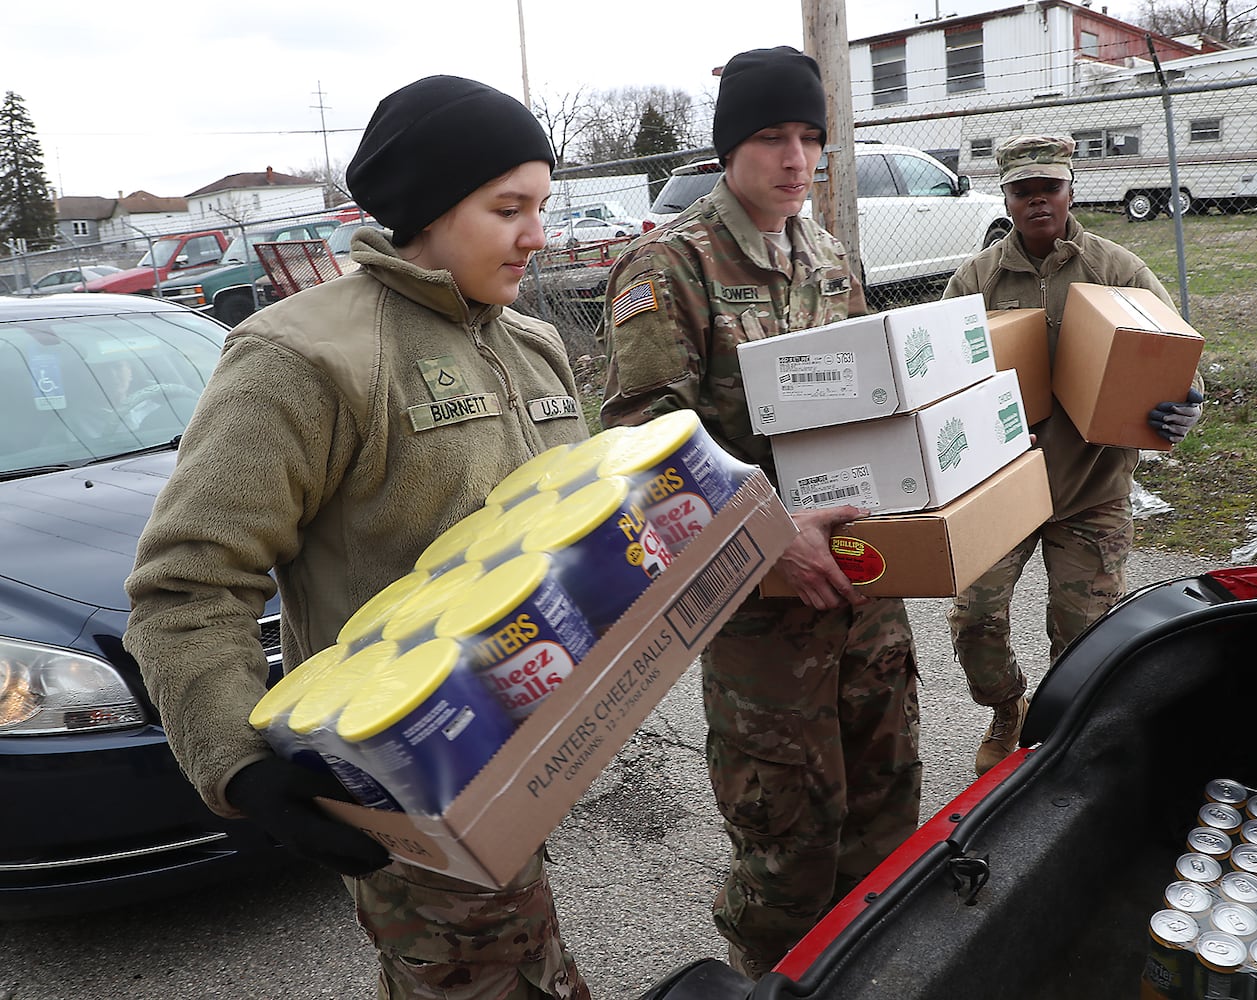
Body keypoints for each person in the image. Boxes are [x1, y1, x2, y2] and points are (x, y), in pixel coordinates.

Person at [123, 76, 592, 1000]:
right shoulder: (301, 358)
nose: (538, 236)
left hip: (532, 752)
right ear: (424, 206)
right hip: (407, 782)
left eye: (542, 206)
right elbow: (190, 583)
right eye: (508, 209)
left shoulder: (529, 342)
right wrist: (238, 765)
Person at [597, 46, 922, 979]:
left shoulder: (822, 250)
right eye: (773, 137)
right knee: (789, 837)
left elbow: (873, 396)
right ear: (729, 147)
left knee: (884, 802)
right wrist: (770, 537)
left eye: (811, 137)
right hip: (761, 600)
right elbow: (641, 439)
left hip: (861, 578)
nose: (796, 159)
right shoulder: (670, 264)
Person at [944, 134, 1204, 776]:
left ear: (1070, 190)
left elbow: (1173, 356)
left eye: (1049, 188)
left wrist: (1187, 401)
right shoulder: (976, 279)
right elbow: (940, 375)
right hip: (1003, 484)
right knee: (974, 618)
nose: (1038, 202)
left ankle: (1061, 736)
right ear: (1005, 196)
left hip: (1091, 485)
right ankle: (1006, 709)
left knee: (1083, 637)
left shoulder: (1115, 269)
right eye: (1023, 191)